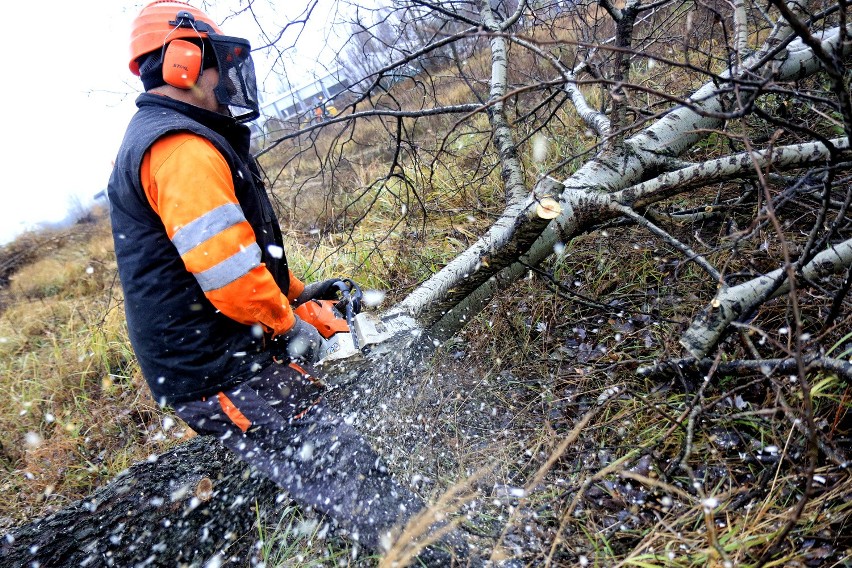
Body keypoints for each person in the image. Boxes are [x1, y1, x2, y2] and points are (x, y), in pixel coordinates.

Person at [107, 1, 472, 564]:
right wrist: (289, 324)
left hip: (222, 352)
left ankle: (412, 541)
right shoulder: (180, 149)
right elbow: (229, 278)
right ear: (182, 61)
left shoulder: (178, 138)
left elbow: (240, 253)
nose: (224, 79)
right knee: (343, 473)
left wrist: (300, 293)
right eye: (214, 64)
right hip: (214, 368)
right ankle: (434, 554)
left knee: (336, 458)